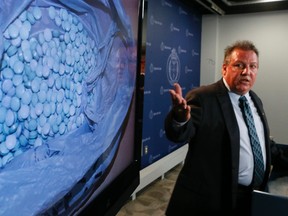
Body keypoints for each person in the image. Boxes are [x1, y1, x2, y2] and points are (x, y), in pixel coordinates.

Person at [164, 40, 288, 215]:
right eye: (239, 65)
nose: (247, 72)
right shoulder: (203, 98)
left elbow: (262, 143)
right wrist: (180, 118)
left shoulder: (255, 100)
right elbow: (181, 133)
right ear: (224, 68)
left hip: (255, 196)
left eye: (253, 66)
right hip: (216, 200)